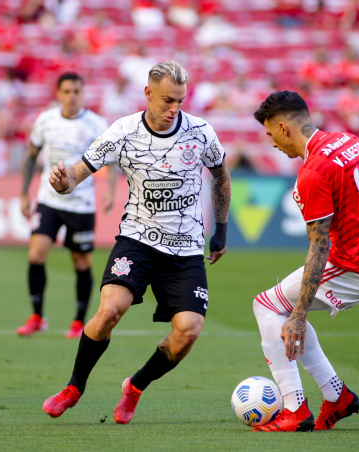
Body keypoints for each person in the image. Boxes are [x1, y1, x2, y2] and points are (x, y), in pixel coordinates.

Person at [41, 61, 232, 424]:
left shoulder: (201, 132)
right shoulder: (123, 132)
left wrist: (220, 229)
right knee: (111, 309)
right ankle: (74, 387)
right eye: (166, 100)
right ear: (147, 94)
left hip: (186, 248)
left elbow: (221, 175)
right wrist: (61, 181)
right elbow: (77, 175)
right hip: (138, 240)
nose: (173, 108)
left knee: (188, 331)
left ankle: (135, 387)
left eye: (179, 100)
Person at [250, 91, 359, 432]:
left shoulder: (313, 173)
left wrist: (298, 315)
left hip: (357, 266)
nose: (272, 144)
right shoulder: (350, 142)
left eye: (270, 135)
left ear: (284, 128)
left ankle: (295, 410)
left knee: (267, 307)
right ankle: (337, 396)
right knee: (280, 308)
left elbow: (319, 246)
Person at [16, 72, 113, 339]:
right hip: (49, 200)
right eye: (67, 91)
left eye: (77, 91)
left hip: (81, 204)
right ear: (58, 94)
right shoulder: (45, 120)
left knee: (80, 262)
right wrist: (24, 194)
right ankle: (37, 316)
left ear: (83, 94)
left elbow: (112, 159)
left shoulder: (96, 124)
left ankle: (78, 321)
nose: (72, 96)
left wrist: (111, 192)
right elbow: (30, 156)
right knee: (36, 255)